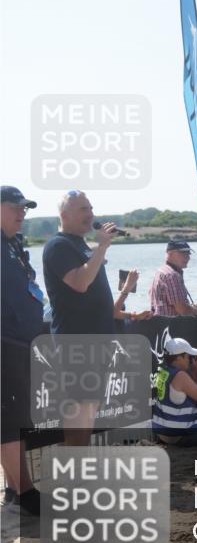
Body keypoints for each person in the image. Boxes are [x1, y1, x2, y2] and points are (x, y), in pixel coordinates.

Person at [42, 191, 118, 446]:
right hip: (76, 344)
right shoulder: (58, 245)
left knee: (89, 411)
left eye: (91, 208)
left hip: (97, 342)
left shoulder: (82, 245)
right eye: (83, 209)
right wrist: (102, 246)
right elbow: (80, 283)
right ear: (64, 215)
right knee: (78, 413)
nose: (91, 214)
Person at [1, 186, 44, 516]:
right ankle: (24, 492)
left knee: (15, 419)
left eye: (25, 209)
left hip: (20, 341)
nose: (22, 214)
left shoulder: (13, 245)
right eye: (16, 207)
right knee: (10, 419)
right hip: (5, 342)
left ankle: (17, 489)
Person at [149, 241, 197, 317]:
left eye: (188, 253)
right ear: (170, 254)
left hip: (160, 325)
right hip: (173, 326)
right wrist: (195, 310)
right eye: (183, 253)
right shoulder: (172, 275)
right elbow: (182, 310)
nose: (188, 257)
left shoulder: (160, 272)